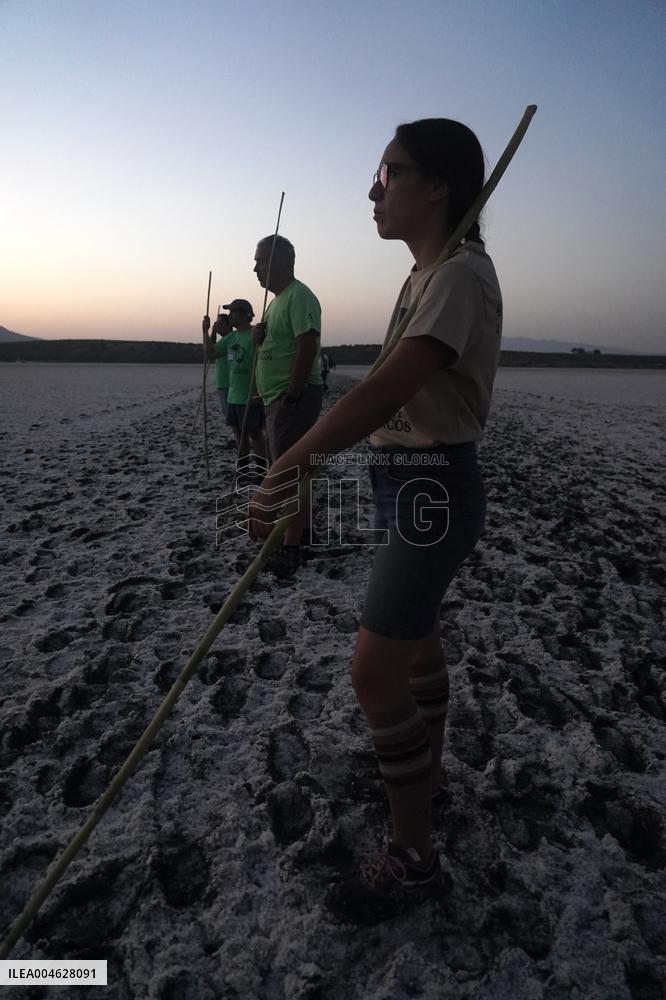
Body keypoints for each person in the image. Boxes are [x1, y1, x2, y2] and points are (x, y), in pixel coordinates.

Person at [248, 118, 503, 924]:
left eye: (387, 173)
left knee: (372, 670)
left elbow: (385, 390)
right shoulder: (424, 276)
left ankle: (415, 856)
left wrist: (292, 462)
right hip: (404, 482)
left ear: (439, 187)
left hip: (433, 487)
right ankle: (425, 780)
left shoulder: (459, 275)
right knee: (418, 647)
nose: (372, 189)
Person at [252, 234, 323, 574]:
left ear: (283, 261)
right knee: (291, 470)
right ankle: (297, 532)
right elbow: (275, 347)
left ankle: (293, 542)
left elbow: (307, 345)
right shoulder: (274, 302)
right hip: (276, 398)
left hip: (292, 396)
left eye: (262, 260)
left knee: (288, 472)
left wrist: (293, 395)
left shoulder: (299, 296)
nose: (255, 268)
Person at [219, 299, 267, 464]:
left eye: (232, 312)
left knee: (255, 434)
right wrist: (205, 331)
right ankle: (243, 468)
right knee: (239, 434)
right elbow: (210, 353)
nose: (229, 316)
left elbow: (268, 358)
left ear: (243, 314)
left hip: (252, 395)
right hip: (234, 396)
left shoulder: (257, 334)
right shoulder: (231, 337)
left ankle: (262, 470)